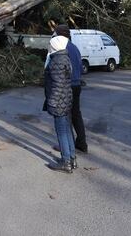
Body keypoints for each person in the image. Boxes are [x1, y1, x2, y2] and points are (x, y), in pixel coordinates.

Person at [43, 35, 76, 173]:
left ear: (56, 45)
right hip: (66, 100)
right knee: (67, 130)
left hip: (59, 102)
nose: (49, 46)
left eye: (50, 44)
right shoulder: (65, 57)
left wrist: (52, 102)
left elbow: (57, 85)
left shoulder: (56, 60)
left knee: (61, 132)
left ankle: (66, 162)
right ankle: (72, 159)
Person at [54, 25, 88, 153]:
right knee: (76, 115)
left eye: (55, 34)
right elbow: (79, 68)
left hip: (65, 86)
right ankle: (82, 143)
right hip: (77, 85)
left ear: (59, 35)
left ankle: (67, 147)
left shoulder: (59, 47)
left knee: (64, 116)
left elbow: (57, 69)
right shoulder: (75, 48)